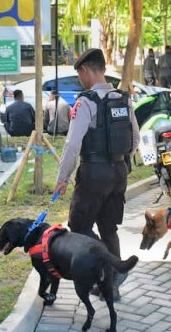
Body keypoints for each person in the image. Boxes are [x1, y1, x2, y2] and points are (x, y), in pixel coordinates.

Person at [54, 48, 140, 300]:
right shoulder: (123, 99)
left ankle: (111, 265)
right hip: (119, 170)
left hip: (93, 173)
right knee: (108, 227)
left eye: (79, 74)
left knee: (79, 226)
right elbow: (134, 139)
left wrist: (63, 178)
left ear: (84, 70)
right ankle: (111, 286)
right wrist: (119, 160)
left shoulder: (86, 101)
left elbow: (72, 144)